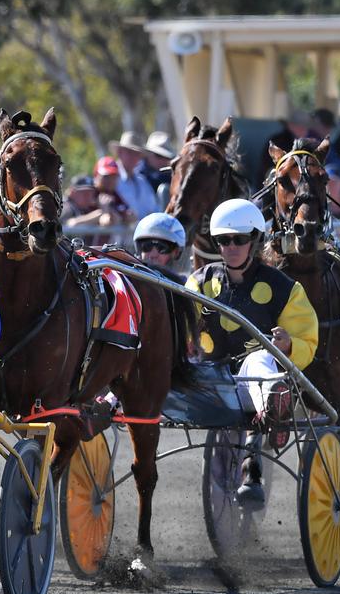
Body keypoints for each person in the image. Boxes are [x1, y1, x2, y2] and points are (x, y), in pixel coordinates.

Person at [186, 199, 319, 499]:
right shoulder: (199, 282)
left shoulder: (286, 289)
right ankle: (113, 401)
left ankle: (273, 410)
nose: (231, 246)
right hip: (208, 379)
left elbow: (307, 341)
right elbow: (179, 327)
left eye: (239, 240)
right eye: (223, 240)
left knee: (260, 358)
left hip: (251, 382)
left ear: (255, 240)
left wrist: (289, 345)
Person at [111, 131, 159, 219]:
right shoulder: (111, 178)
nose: (133, 157)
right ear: (120, 152)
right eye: (129, 152)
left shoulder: (142, 181)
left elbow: (153, 209)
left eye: (137, 154)